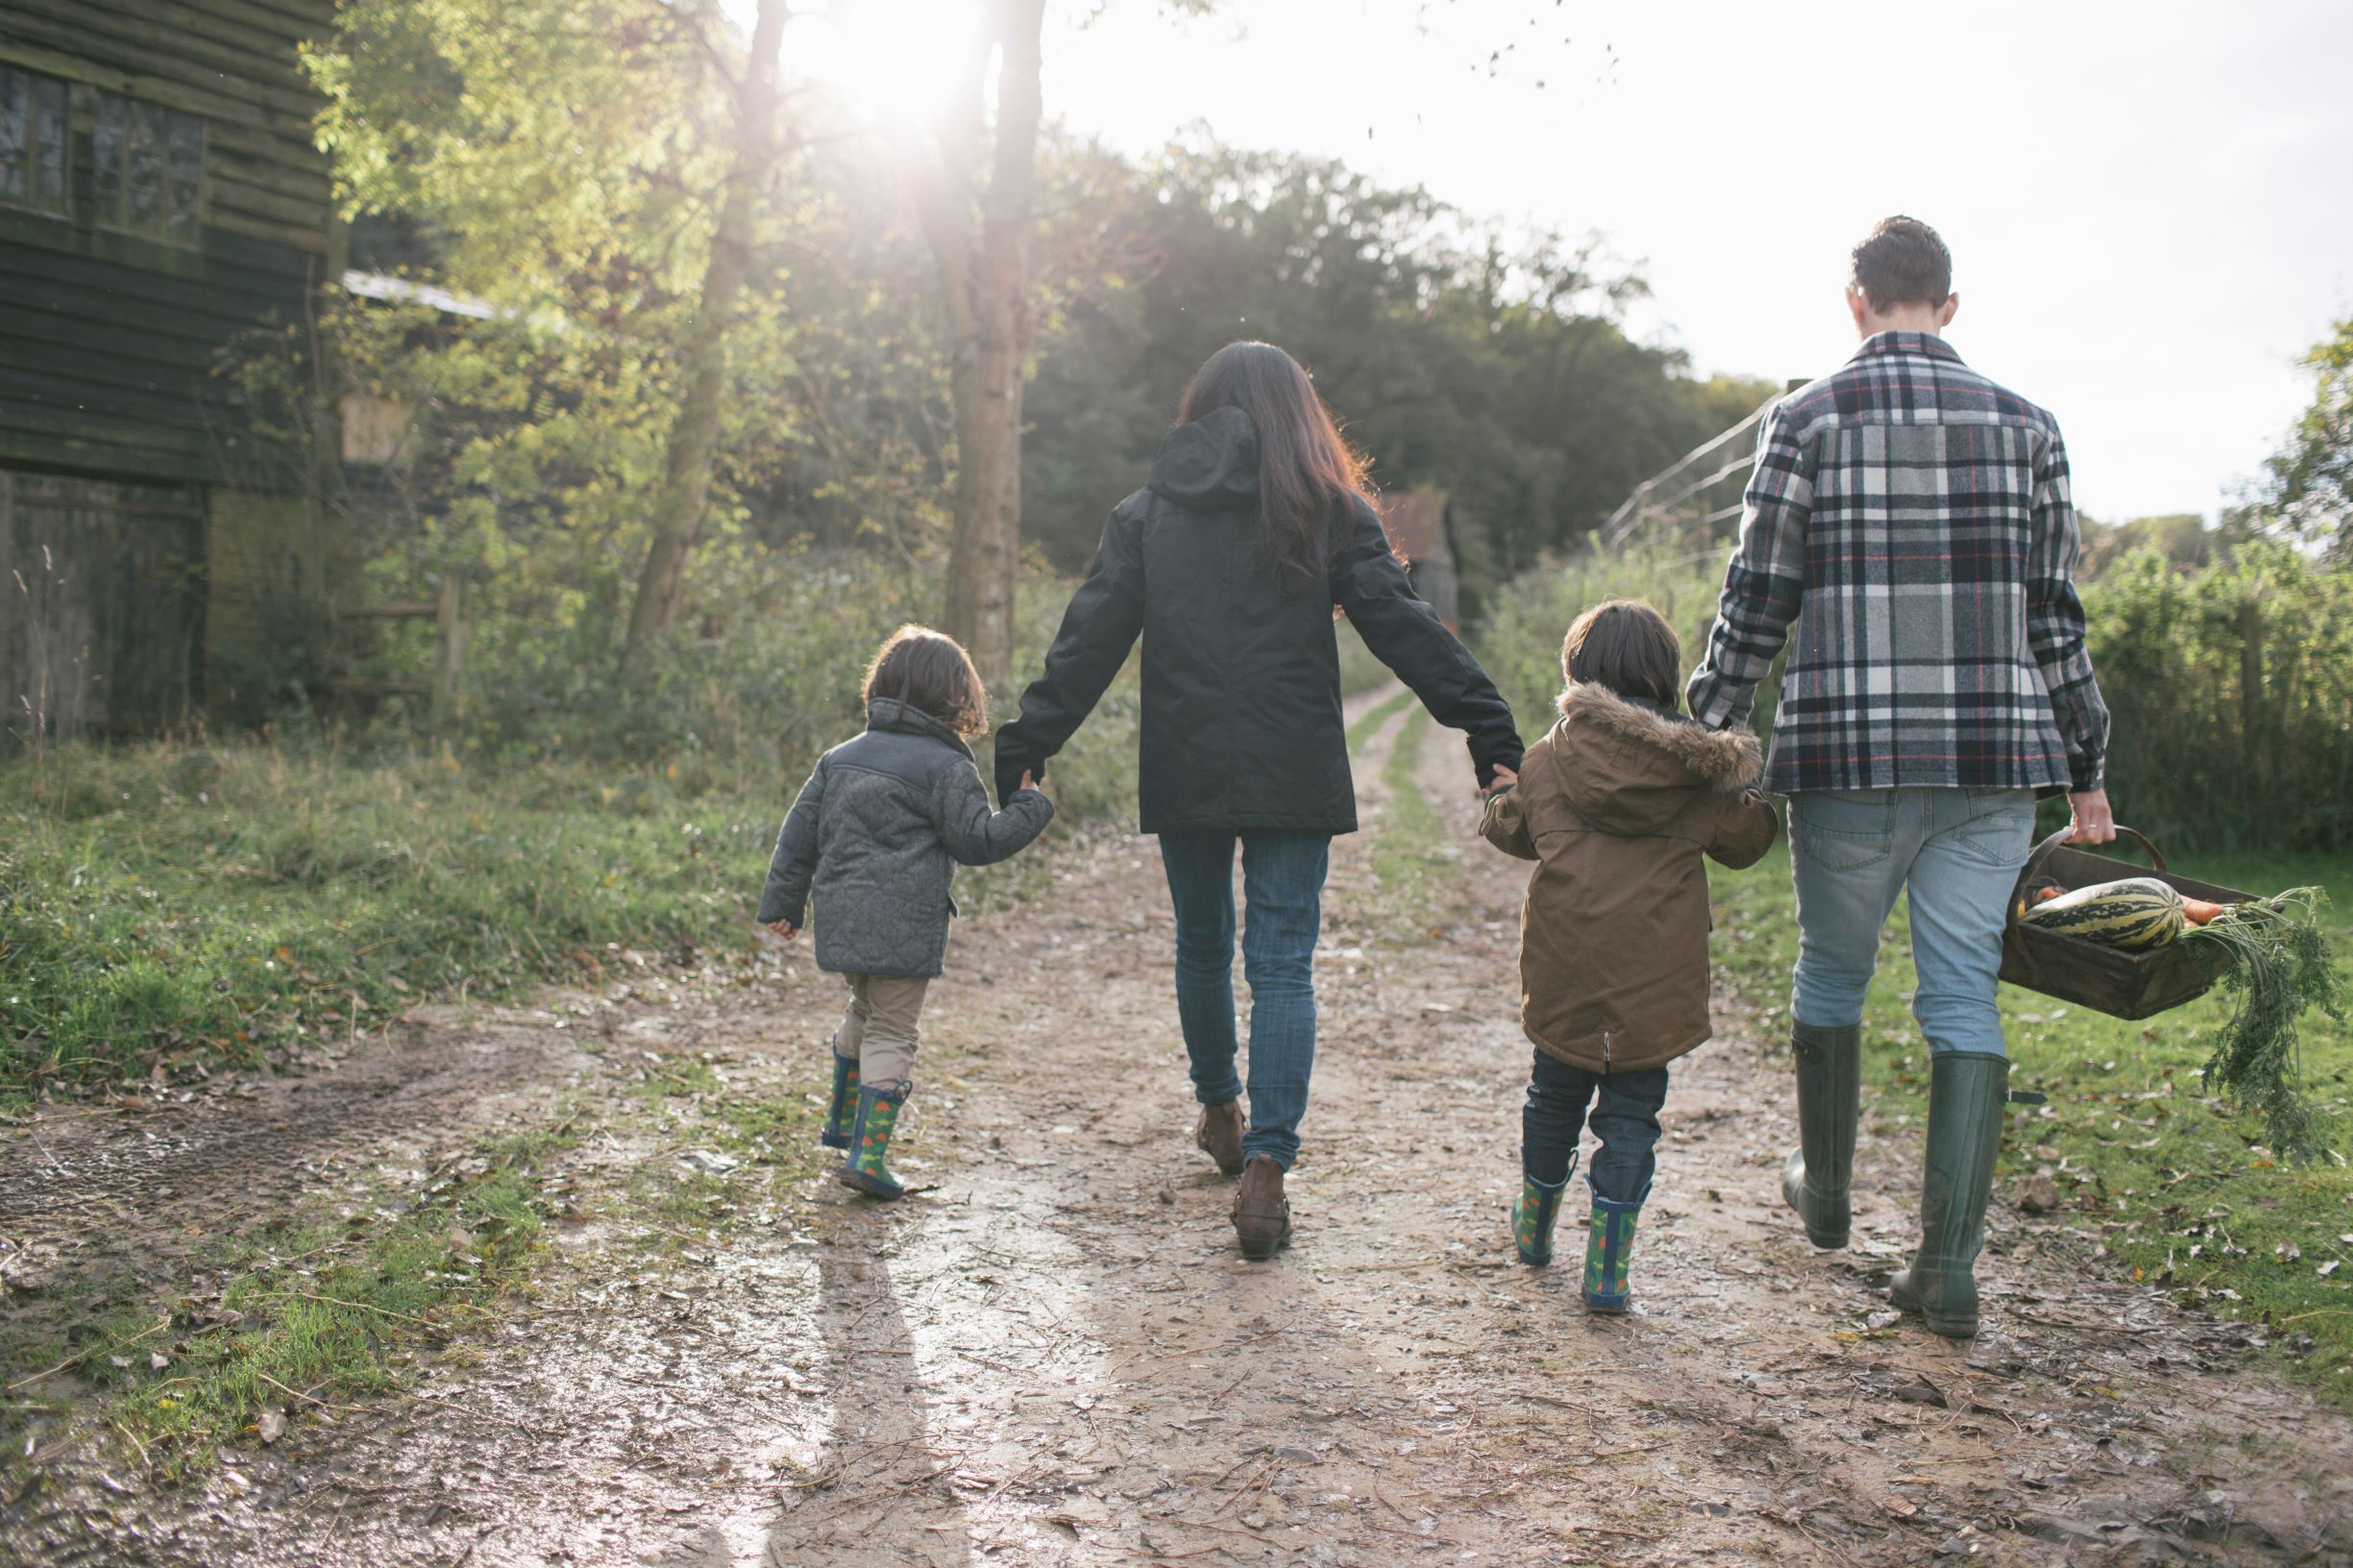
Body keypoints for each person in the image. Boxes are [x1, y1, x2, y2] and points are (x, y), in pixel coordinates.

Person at [993, 340, 1524, 1259]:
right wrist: (1487, 731)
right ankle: (1267, 1171)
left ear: (1199, 409)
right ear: (1297, 412)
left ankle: (1219, 1112)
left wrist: (1028, 739)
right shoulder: (1325, 512)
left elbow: (1090, 639)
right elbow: (1405, 630)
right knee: (1282, 962)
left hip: (1187, 756)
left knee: (1202, 942)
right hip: (1293, 763)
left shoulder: (1147, 513)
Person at [1684, 216, 2114, 1338]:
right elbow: (2055, 618)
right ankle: (1947, 1266)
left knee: (1832, 973)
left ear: (1856, 300)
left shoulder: (1806, 418)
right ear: (1951, 306)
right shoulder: (2029, 426)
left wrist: (1708, 723)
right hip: (1990, 763)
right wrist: (2087, 769)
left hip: (1847, 754)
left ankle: (1823, 1198)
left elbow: (1757, 592)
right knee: (1961, 993)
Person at [1479, 600, 1778, 1312]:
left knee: (1551, 1097)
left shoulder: (1546, 761)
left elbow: (1516, 833)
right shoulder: (1696, 771)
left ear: (1578, 672)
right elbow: (1744, 844)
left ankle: (1533, 1226)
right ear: (1665, 678)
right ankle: (1607, 1271)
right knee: (1630, 1119)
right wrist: (1760, 799)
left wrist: (1495, 799)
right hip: (1654, 985)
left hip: (1564, 971)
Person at [757, 625, 1056, 1201]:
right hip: (905, 925)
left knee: (863, 1006)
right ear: (955, 697)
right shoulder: (946, 769)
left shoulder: (840, 757)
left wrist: (783, 904)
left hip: (841, 916)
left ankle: (843, 1123)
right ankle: (867, 1157)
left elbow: (799, 836)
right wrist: (1030, 807)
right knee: (894, 1027)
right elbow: (978, 842)